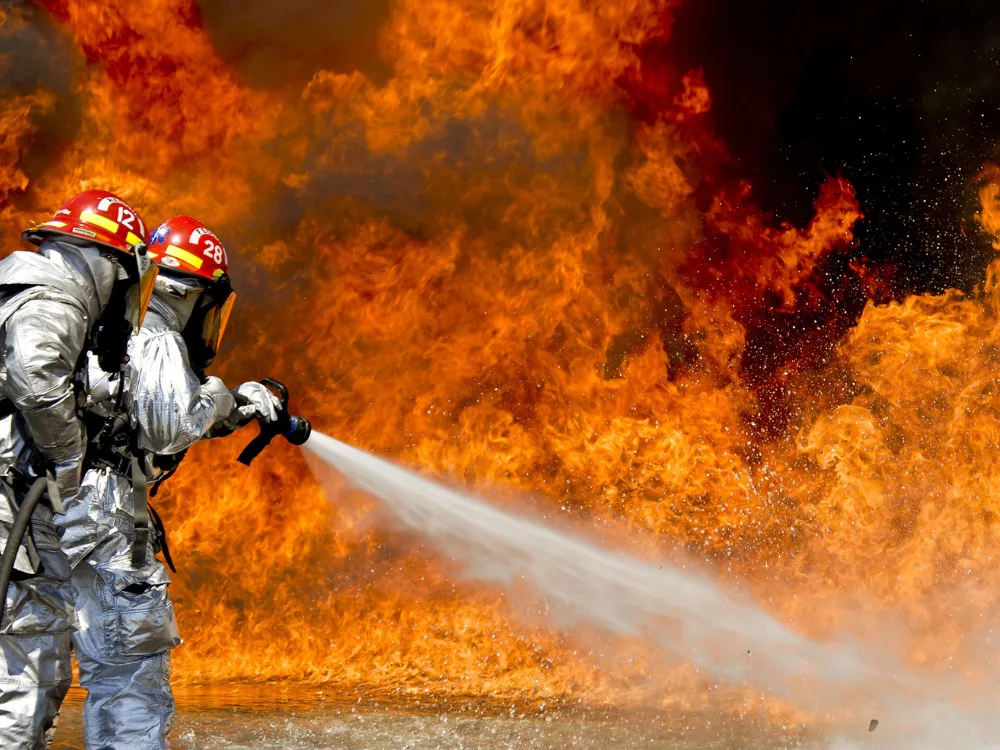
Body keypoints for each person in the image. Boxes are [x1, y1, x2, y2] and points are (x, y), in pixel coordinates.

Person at [57, 215, 280, 749]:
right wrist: (228, 393)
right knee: (129, 679)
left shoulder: (104, 327)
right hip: (106, 525)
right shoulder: (155, 335)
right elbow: (170, 425)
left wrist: (240, 406)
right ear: (196, 294)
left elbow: (139, 411)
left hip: (55, 515)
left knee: (31, 673)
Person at [0, 190, 157, 749]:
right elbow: (37, 380)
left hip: (15, 502)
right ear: (103, 261)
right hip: (12, 503)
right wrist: (68, 461)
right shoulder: (54, 299)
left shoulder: (19, 288)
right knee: (31, 664)